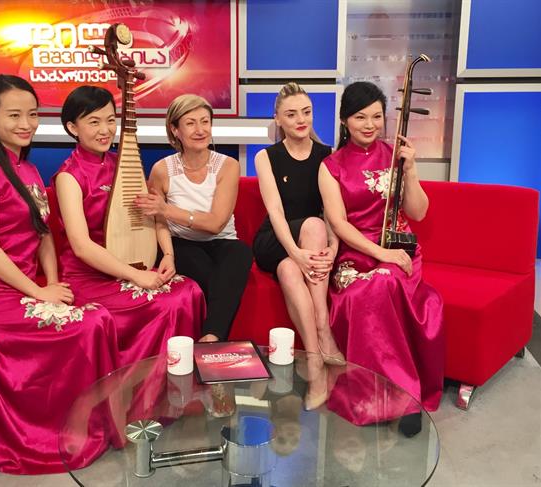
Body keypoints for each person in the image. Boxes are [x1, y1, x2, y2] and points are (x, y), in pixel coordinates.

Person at [0, 75, 118, 480]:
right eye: (14, 115)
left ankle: (90, 425)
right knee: (91, 322)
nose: (26, 124)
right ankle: (57, 436)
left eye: (32, 114)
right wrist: (38, 292)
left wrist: (54, 283)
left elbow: (44, 234)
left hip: (28, 284)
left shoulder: (28, 169)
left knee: (96, 316)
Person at [320, 81, 444, 436]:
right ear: (344, 120)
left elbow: (418, 213)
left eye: (377, 116)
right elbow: (339, 224)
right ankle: (390, 397)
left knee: (383, 282)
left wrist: (411, 169)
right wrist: (379, 253)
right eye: (360, 117)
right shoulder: (330, 166)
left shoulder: (395, 155)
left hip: (400, 250)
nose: (370, 124)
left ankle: (400, 398)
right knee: (366, 291)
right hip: (356, 253)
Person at [53, 86, 204, 366]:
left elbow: (152, 212)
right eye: (94, 122)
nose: (105, 130)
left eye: (110, 120)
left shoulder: (122, 163)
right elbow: (81, 246)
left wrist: (168, 254)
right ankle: (142, 381)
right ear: (73, 128)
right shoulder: (69, 176)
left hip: (130, 263)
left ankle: (178, 375)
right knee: (166, 301)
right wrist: (136, 276)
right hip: (91, 276)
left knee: (189, 290)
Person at [135, 94, 253, 342]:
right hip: (181, 243)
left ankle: (210, 337)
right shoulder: (161, 170)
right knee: (212, 276)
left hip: (222, 241)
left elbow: (216, 224)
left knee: (241, 252)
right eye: (190, 123)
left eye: (205, 122)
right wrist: (168, 253)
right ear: (175, 130)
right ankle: (212, 339)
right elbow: (157, 220)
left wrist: (167, 210)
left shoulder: (228, 166)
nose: (200, 130)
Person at [252, 82, 345, 371]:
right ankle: (323, 327)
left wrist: (334, 247)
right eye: (291, 114)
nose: (301, 119)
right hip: (275, 240)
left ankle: (313, 355)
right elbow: (276, 212)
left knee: (290, 272)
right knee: (313, 226)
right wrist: (295, 252)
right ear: (278, 119)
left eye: (306, 112)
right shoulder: (266, 157)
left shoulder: (328, 155)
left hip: (311, 244)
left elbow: (333, 212)